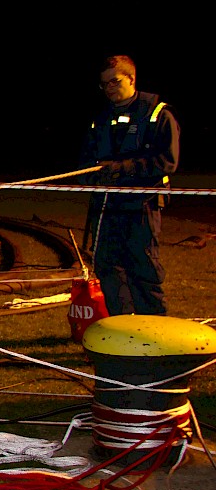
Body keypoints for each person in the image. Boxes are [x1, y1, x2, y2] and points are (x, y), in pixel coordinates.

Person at [79, 55, 180, 316]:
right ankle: (122, 327)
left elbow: (167, 161)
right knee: (108, 266)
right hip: (106, 206)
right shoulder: (100, 120)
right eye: (104, 84)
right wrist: (93, 176)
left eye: (115, 81)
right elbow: (86, 162)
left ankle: (155, 328)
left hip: (142, 205)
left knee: (143, 266)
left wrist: (122, 169)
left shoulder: (158, 114)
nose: (109, 88)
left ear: (132, 79)